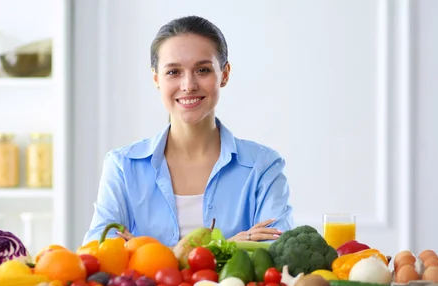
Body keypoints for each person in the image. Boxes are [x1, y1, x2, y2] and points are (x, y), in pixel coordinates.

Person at [82, 15, 294, 247]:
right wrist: (227, 246)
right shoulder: (122, 166)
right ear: (156, 79)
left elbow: (276, 250)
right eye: (173, 72)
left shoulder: (263, 166)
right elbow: (98, 249)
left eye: (202, 70)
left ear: (224, 74)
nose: (188, 85)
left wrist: (146, 252)